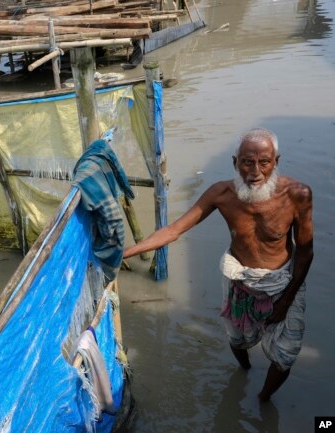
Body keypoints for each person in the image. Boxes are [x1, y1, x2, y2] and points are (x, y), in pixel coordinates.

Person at [123, 128, 313, 401]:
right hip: (239, 279)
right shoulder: (221, 194)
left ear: (276, 162)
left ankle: (263, 398)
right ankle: (244, 369)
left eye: (264, 162)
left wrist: (285, 302)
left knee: (285, 356)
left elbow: (305, 253)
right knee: (236, 339)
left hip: (284, 281)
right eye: (247, 162)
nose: (255, 172)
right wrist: (126, 252)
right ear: (235, 163)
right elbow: (174, 230)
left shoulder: (297, 195)